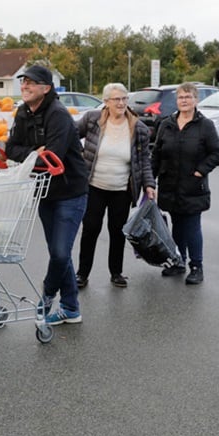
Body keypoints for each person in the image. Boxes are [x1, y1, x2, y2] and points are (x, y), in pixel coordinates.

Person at [5, 65, 89, 325]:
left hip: (70, 193)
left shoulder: (59, 116)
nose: (25, 86)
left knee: (61, 253)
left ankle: (48, 294)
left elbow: (52, 157)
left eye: (31, 82)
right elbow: (10, 149)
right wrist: (33, 151)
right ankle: (71, 309)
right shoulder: (23, 113)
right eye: (23, 82)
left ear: (46, 88)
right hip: (44, 193)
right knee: (57, 253)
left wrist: (32, 155)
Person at [74, 83, 156, 289]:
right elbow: (71, 135)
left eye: (124, 99)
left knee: (117, 231)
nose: (121, 103)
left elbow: (144, 160)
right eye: (116, 99)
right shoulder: (92, 120)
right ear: (106, 101)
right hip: (94, 186)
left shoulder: (138, 128)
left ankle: (116, 272)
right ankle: (82, 273)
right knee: (91, 229)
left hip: (122, 189)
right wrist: (77, 156)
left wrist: (149, 184)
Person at [151, 82, 219, 285]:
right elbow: (156, 154)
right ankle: (178, 261)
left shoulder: (205, 125)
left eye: (188, 97)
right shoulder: (167, 124)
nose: (184, 100)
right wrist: (150, 180)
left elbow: (216, 152)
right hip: (170, 184)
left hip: (193, 186)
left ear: (195, 100)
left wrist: (201, 170)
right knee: (177, 225)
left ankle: (196, 266)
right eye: (181, 97)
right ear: (177, 100)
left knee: (191, 226)